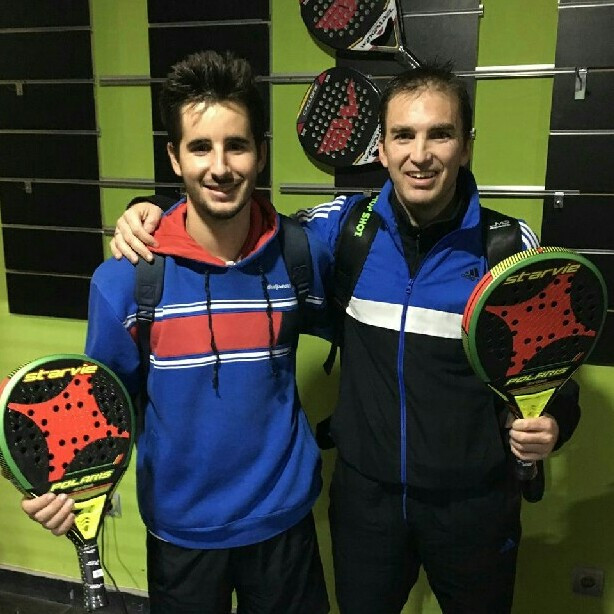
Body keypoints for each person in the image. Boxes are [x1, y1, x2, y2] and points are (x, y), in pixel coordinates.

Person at [110, 62, 580, 614]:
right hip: (366, 507)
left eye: (440, 134)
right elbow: (238, 226)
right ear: (382, 149)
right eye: (403, 135)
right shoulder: (342, 230)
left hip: (474, 506)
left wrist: (554, 424)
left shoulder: (508, 247)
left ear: (466, 146)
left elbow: (553, 371)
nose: (420, 154)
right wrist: (148, 214)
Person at [21, 50, 330, 614]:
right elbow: (101, 414)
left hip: (284, 526)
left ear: (261, 153)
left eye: (237, 145)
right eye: (200, 147)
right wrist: (68, 492)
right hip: (182, 535)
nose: (220, 166)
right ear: (174, 156)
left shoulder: (299, 255)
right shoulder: (125, 281)